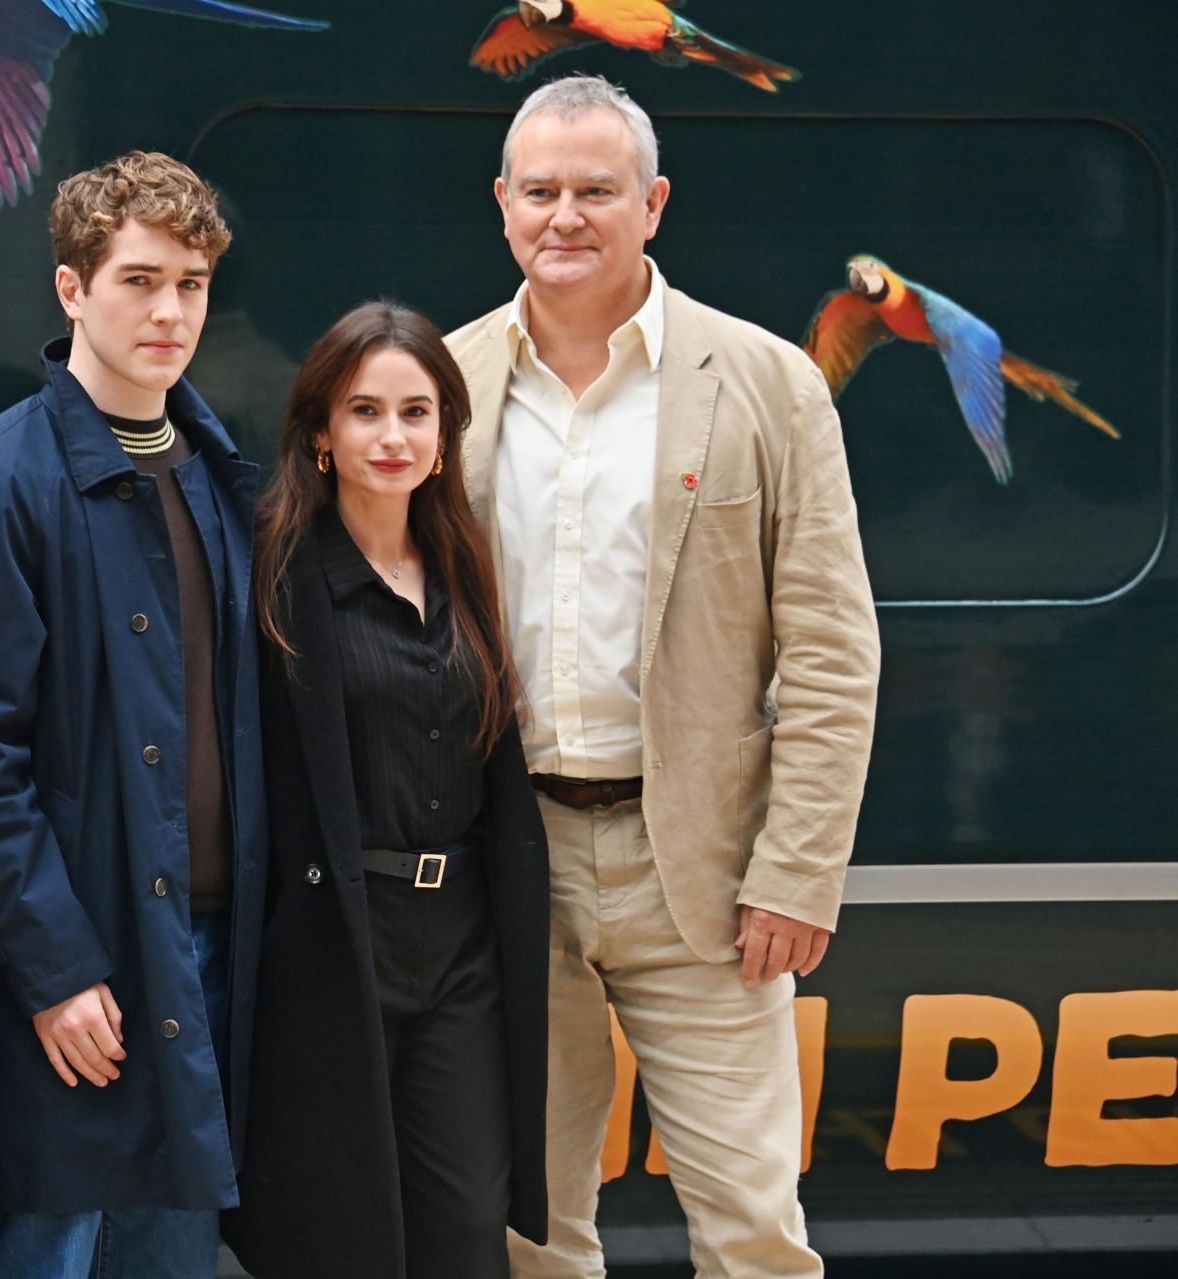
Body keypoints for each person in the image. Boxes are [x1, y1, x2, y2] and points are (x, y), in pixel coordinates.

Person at [445, 75, 881, 1277]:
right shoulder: (447, 381)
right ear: (502, 204)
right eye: (540, 190)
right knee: (529, 1230)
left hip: (704, 866)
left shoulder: (765, 382)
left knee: (751, 1227)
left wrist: (796, 870)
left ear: (655, 203)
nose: (565, 215)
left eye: (598, 190)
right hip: (509, 857)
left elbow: (834, 648)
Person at [0, 152, 266, 1278]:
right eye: (137, 280)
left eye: (191, 283)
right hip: (84, 973)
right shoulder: (5, 479)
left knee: (172, 1259)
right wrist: (55, 970)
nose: (168, 311)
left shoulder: (219, 476)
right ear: (73, 291)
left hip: (204, 960)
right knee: (49, 1247)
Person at [221, 302, 549, 1278]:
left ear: (447, 438)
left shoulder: (466, 567)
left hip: (460, 957)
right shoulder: (274, 571)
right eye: (365, 411)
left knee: (463, 1232)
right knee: (341, 1240)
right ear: (320, 434)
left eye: (417, 412)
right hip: (335, 951)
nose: (393, 436)